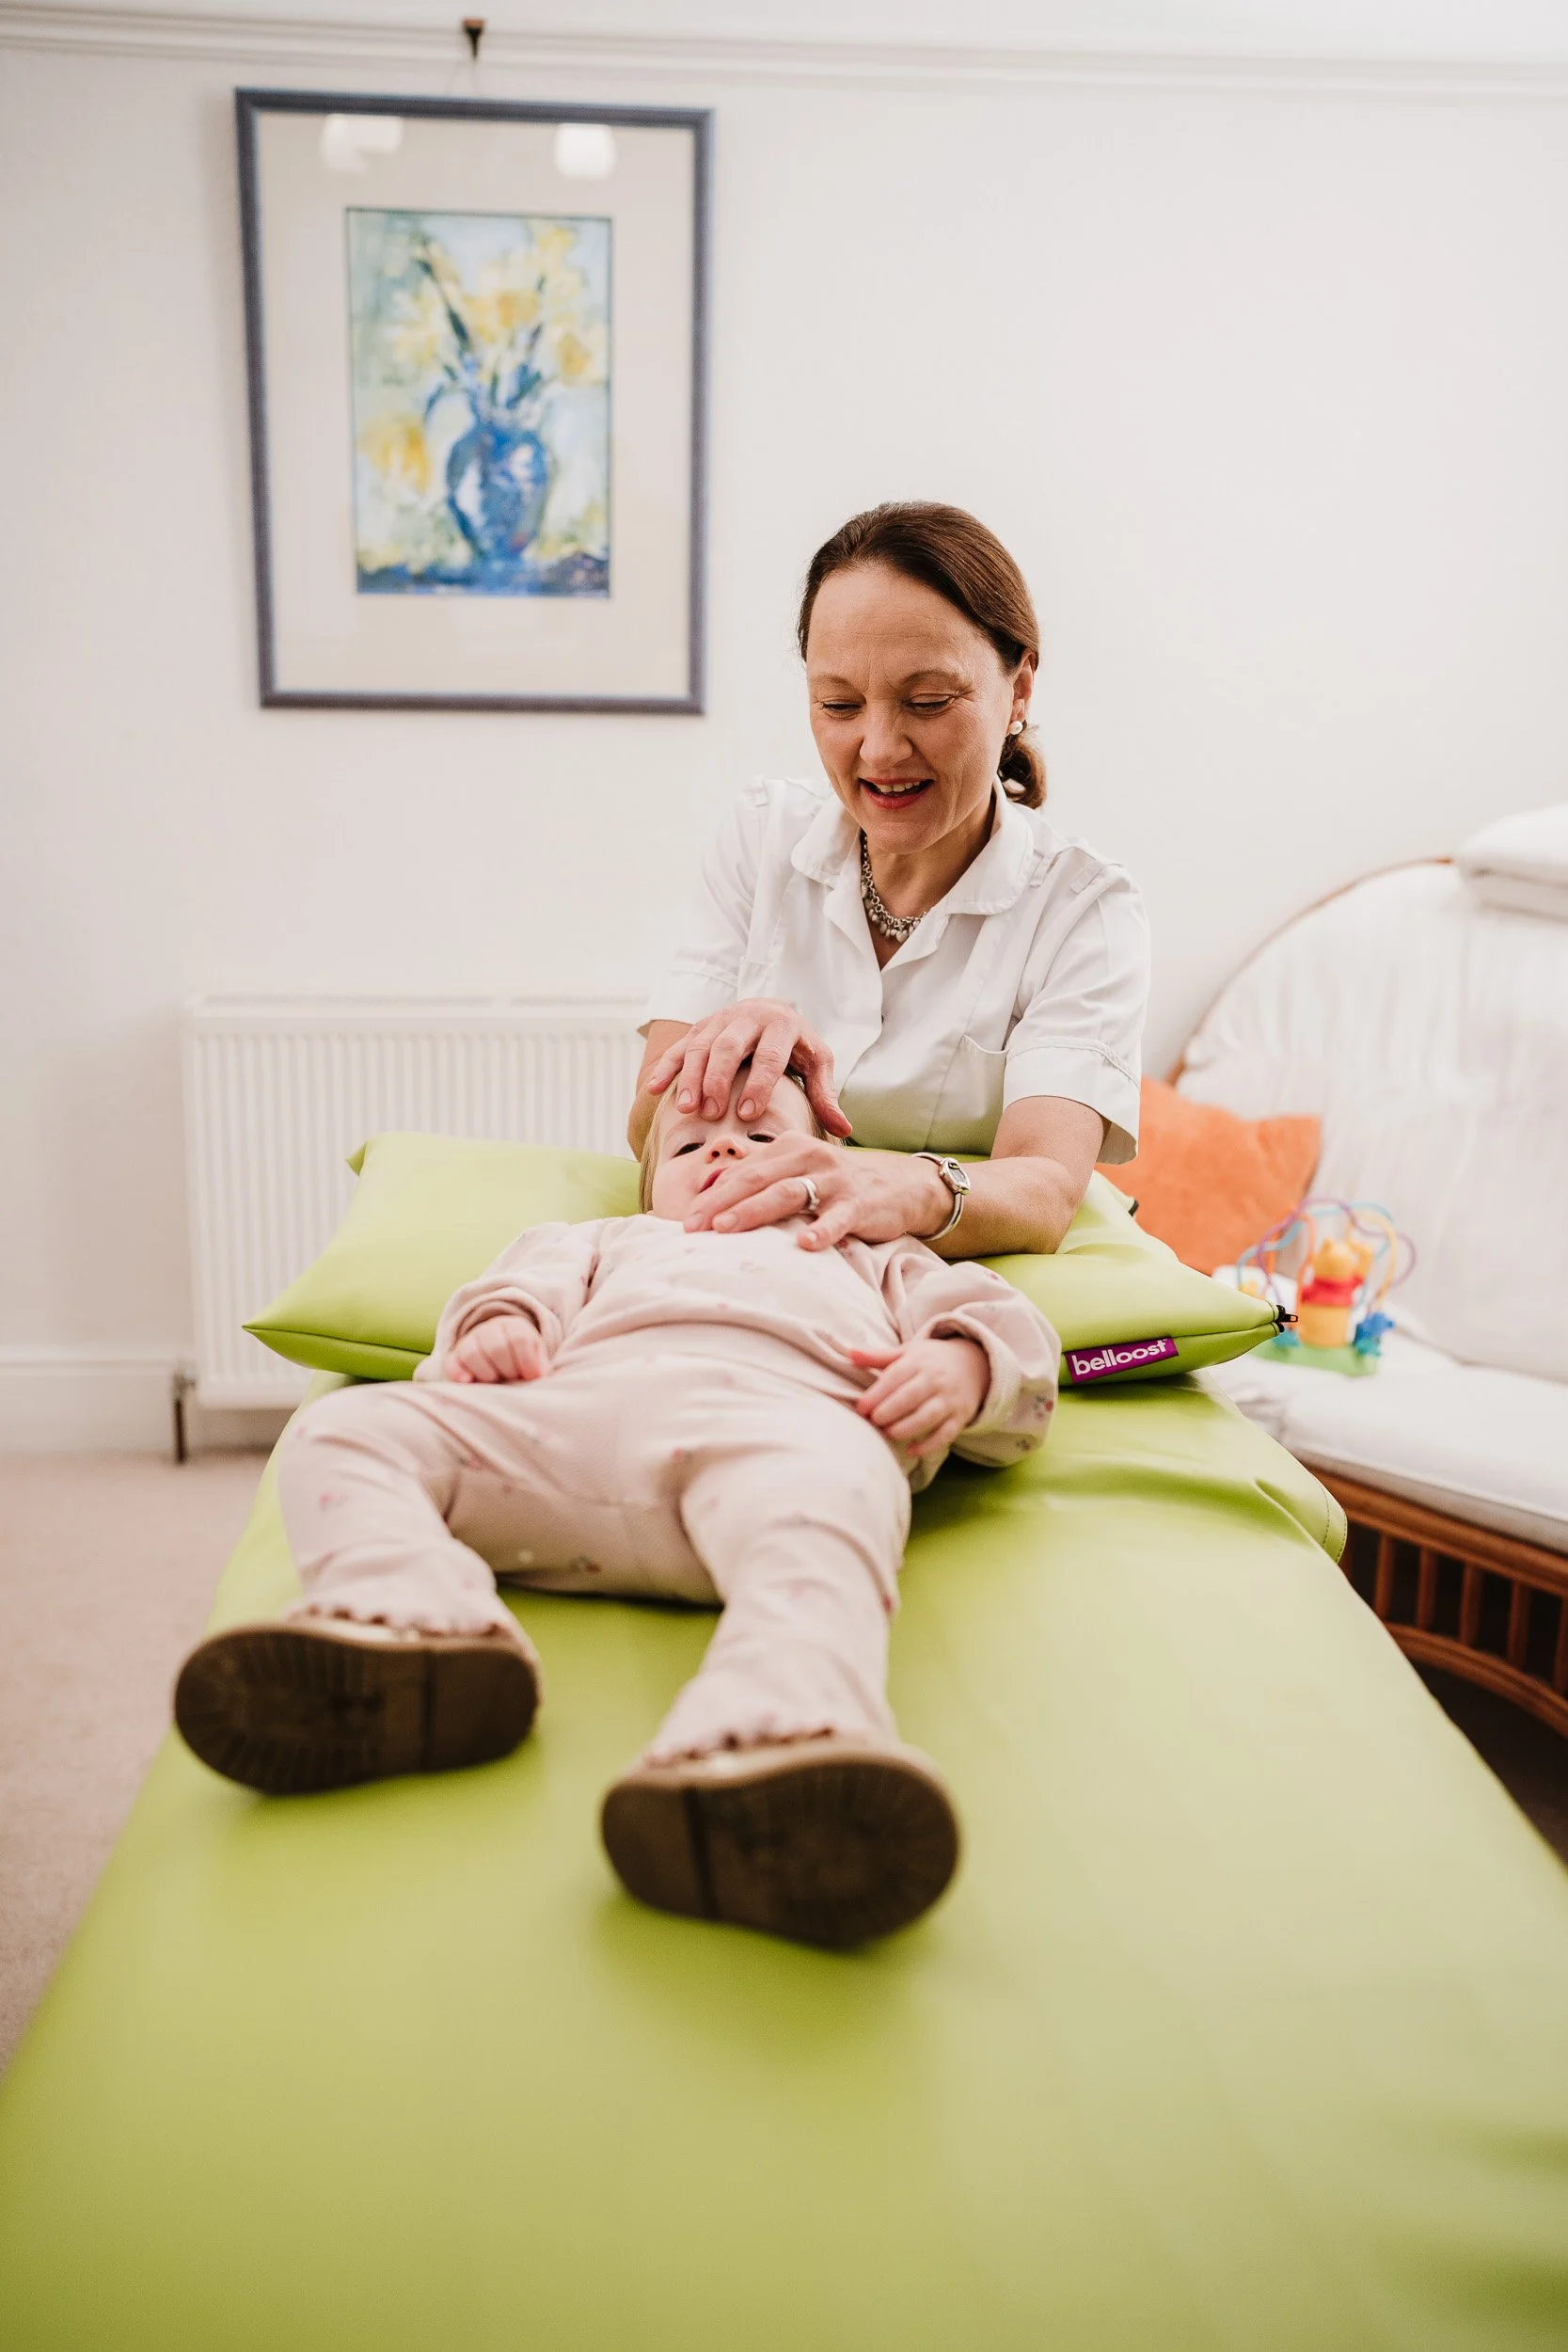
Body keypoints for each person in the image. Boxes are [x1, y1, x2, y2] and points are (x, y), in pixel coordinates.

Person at [174, 1066, 1060, 1949]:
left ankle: (775, 1728)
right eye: (691, 1144)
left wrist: (961, 1365)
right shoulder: (603, 1240)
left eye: (762, 1139)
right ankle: (409, 1616)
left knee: (842, 1486)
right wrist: (498, 1329)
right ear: (649, 1186)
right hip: (566, 1435)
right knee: (346, 1428)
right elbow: (506, 1293)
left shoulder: (871, 1250)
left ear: (831, 1169)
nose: (725, 1150)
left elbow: (1010, 1336)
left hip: (774, 1446)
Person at [632, 501, 1149, 1261]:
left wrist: (897, 1188)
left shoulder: (1081, 910)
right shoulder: (762, 837)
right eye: (838, 704)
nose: (878, 749)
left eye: (928, 702)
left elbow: (1041, 1191)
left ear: (1019, 689)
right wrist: (738, 1034)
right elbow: (649, 1132)